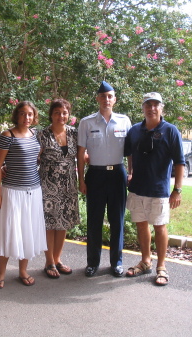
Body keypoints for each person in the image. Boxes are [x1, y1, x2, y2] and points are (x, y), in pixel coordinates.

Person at [124, 92, 185, 286]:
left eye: (155, 105)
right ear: (142, 108)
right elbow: (129, 154)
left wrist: (178, 190)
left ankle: (161, 267)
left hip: (159, 189)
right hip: (137, 188)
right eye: (148, 105)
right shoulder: (134, 130)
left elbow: (179, 162)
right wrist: (130, 171)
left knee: (159, 227)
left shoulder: (171, 131)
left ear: (161, 108)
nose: (151, 108)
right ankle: (145, 261)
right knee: (141, 224)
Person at [77, 81, 131, 277]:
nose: (106, 99)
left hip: (117, 174)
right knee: (94, 221)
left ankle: (116, 262)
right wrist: (81, 179)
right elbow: (80, 151)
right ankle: (92, 263)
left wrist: (130, 172)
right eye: (103, 96)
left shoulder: (124, 121)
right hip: (96, 175)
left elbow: (130, 151)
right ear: (97, 99)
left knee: (117, 220)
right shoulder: (87, 122)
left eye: (110, 96)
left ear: (114, 99)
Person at [0, 101, 47, 289]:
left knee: (27, 231)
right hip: (12, 192)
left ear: (34, 116)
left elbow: (35, 159)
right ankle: (1, 273)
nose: (27, 118)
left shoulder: (35, 135)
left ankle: (23, 270)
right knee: (8, 232)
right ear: (17, 115)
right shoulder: (7, 136)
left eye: (30, 114)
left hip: (33, 191)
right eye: (23, 114)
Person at [37, 99, 80, 279]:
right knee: (49, 224)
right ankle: (49, 262)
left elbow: (83, 155)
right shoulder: (42, 135)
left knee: (63, 223)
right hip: (48, 185)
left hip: (69, 185)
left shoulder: (74, 134)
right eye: (57, 112)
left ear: (68, 114)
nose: (61, 116)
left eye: (64, 112)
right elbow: (32, 157)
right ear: (51, 114)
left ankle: (58, 259)